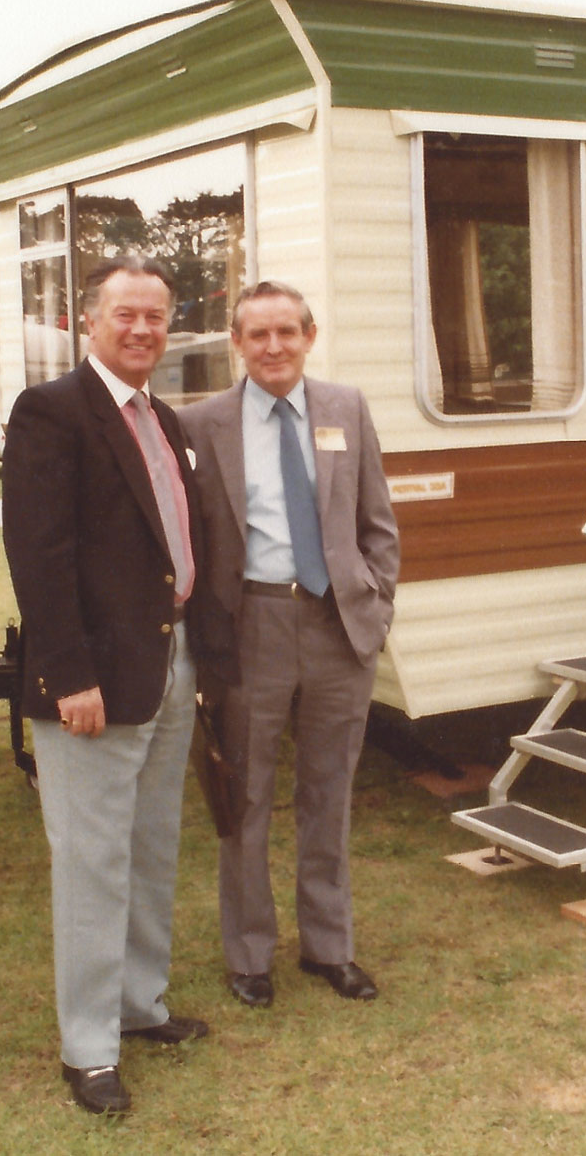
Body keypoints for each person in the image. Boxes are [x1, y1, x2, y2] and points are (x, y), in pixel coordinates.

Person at [1, 256, 208, 1117]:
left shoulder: (163, 417)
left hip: (169, 662)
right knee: (91, 863)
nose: (142, 329)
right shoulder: (52, 413)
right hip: (92, 678)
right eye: (125, 314)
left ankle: (139, 1003)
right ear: (88, 322)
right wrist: (68, 674)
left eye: (156, 316)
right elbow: (38, 554)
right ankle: (88, 1045)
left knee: (152, 844)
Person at [181, 280, 400, 1008]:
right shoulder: (201, 423)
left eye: (287, 331)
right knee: (242, 796)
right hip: (251, 629)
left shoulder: (346, 407)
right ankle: (249, 954)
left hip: (338, 627)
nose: (273, 346)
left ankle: (328, 947)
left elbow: (377, 521)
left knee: (329, 793)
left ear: (310, 335)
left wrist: (377, 604)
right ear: (236, 343)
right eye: (257, 334)